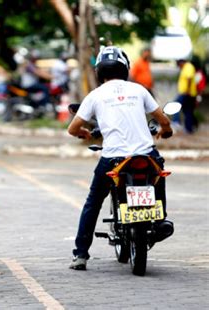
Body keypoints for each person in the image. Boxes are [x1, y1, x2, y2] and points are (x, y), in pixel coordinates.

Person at [67, 46, 174, 270]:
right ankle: (161, 218)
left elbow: (73, 128)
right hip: (145, 154)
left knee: (93, 202)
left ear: (99, 72)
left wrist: (84, 134)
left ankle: (81, 255)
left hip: (113, 158)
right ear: (125, 68)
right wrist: (166, 130)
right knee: (159, 173)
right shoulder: (139, 90)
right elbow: (163, 119)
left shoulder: (95, 95)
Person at [174, 58, 197, 134]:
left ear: (181, 63)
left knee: (177, 105)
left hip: (187, 93)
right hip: (185, 93)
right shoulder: (185, 68)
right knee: (187, 111)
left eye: (179, 65)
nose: (179, 67)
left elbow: (189, 78)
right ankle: (189, 127)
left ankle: (177, 122)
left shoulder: (188, 66)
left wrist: (187, 90)